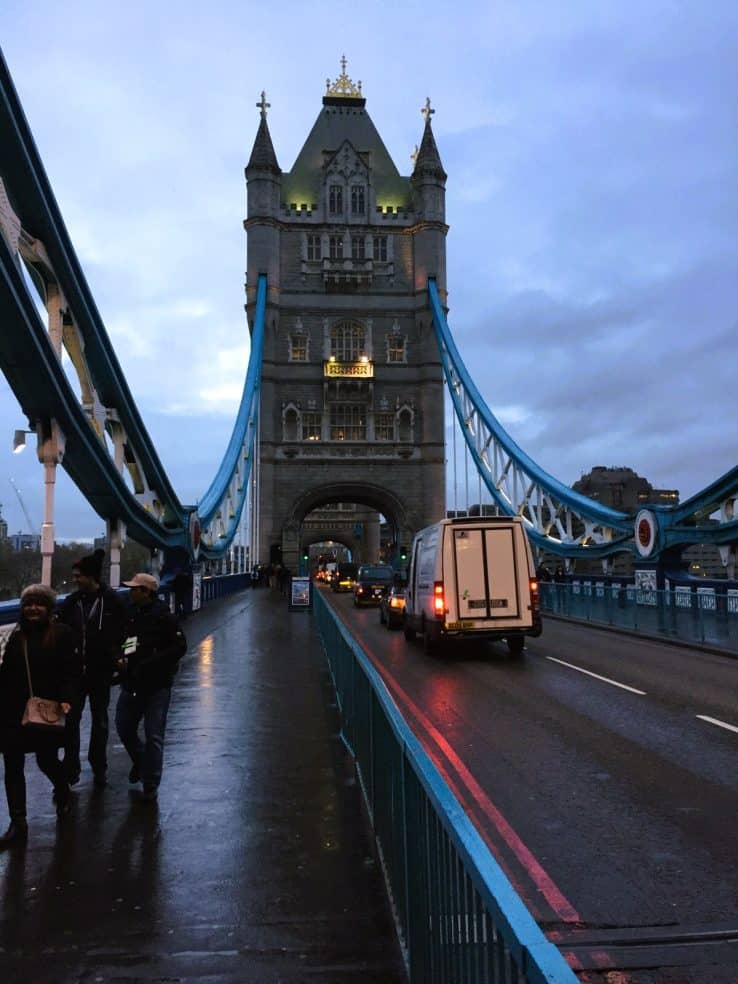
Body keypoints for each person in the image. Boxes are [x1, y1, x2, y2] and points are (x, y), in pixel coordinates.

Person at [0, 584, 82, 847]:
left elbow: (70, 672)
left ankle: (62, 790)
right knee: (12, 766)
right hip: (13, 712)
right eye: (28, 604)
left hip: (46, 710)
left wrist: (68, 699)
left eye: (39, 604)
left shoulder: (62, 634)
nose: (33, 608)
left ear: (48, 608)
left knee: (46, 761)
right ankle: (18, 822)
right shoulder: (14, 636)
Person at [115, 573, 187, 802]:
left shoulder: (165, 617)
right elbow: (128, 640)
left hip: (157, 685)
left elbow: (180, 647)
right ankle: (142, 761)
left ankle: (151, 782)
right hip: (132, 681)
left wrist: (150, 662)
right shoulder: (130, 613)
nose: (130, 592)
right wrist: (123, 657)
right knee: (124, 727)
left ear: (147, 592)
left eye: (135, 589)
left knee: (153, 734)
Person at [57, 548, 126, 787]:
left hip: (100, 671)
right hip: (74, 673)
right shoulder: (71, 603)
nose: (75, 580)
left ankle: (99, 765)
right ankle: (71, 767)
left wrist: (118, 655)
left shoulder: (113, 601)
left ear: (92, 577)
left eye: (79, 576)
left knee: (100, 720)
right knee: (70, 720)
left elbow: (125, 631)